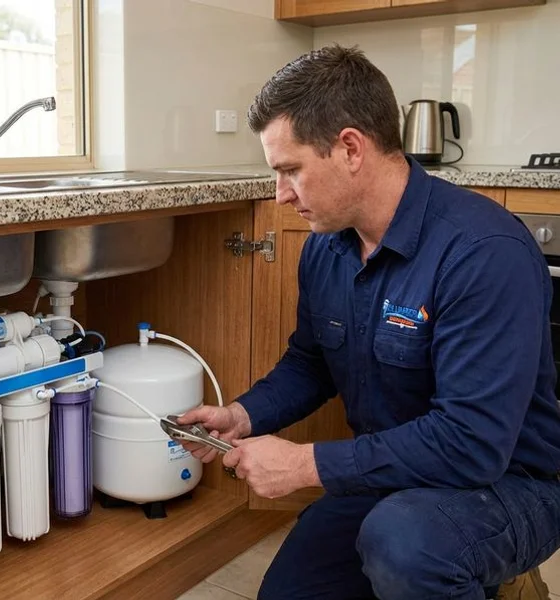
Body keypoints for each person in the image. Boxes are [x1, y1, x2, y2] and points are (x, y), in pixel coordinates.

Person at [178, 45, 560, 600]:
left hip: (510, 484)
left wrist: (307, 464)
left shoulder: (483, 251)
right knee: (289, 591)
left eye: (290, 171)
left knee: (406, 546)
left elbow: (472, 443)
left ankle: (508, 580)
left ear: (350, 148)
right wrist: (241, 415)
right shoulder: (327, 248)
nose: (280, 195)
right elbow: (311, 363)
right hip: (392, 474)